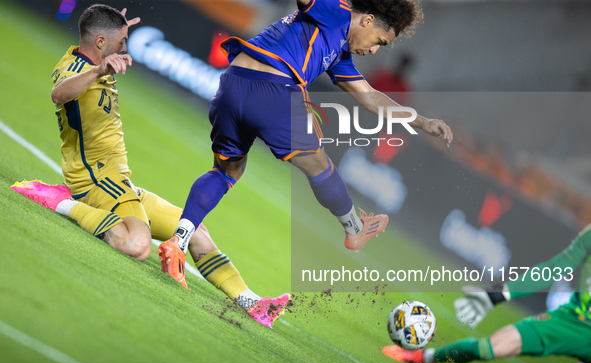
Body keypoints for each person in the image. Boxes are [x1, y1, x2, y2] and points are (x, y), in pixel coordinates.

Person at [10, 4, 288, 328]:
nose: (125, 48)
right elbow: (59, 94)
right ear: (100, 42)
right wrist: (99, 70)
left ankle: (253, 303)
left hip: (118, 181)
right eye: (121, 41)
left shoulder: (95, 57)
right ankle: (62, 201)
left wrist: (115, 36)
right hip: (94, 179)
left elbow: (96, 56)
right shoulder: (73, 67)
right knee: (137, 245)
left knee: (194, 232)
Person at [158, 0, 453, 277]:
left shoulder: (339, 54)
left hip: (233, 85)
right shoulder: (335, 10)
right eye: (379, 41)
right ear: (368, 20)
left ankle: (178, 241)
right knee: (320, 165)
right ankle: (354, 228)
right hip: (273, 89)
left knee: (226, 171)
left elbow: (372, 98)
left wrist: (422, 122)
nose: (375, 51)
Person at [382, 223, 591, 363]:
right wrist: (498, 294)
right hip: (573, 320)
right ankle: (426, 358)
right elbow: (556, 267)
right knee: (491, 347)